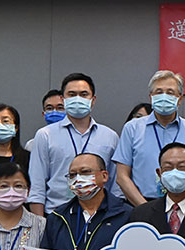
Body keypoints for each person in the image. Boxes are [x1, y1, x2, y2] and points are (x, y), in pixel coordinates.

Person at [29, 72, 122, 215]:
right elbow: (37, 185)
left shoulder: (110, 136)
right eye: (72, 94)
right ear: (63, 99)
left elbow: (115, 185)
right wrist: (40, 222)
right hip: (57, 213)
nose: (78, 99)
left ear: (93, 100)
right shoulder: (45, 135)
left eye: (84, 94)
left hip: (100, 214)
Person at [114, 70, 185, 207]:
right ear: (151, 97)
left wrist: (182, 205)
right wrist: (146, 209)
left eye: (170, 92)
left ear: (180, 99)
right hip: (141, 204)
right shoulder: (132, 128)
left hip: (182, 205)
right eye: (159, 92)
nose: (164, 96)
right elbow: (122, 176)